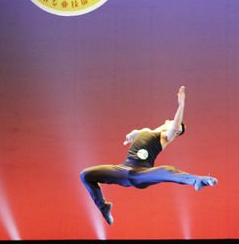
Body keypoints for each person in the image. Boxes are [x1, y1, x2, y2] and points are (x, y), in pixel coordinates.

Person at [80, 86, 217, 225]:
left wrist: (181, 104)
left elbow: (175, 127)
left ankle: (198, 180)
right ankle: (103, 207)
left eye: (177, 132)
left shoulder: (164, 137)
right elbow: (140, 133)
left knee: (167, 170)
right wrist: (133, 134)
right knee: (86, 175)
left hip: (142, 173)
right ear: (167, 122)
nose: (175, 130)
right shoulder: (146, 131)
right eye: (175, 126)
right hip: (123, 170)